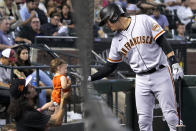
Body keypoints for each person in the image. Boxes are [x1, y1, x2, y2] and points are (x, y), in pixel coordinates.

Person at [89, 3, 184, 131]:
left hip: (160, 72)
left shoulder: (143, 20)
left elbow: (162, 40)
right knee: (143, 121)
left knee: (171, 116)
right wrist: (90, 78)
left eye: (107, 21)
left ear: (114, 16)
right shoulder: (116, 41)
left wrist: (174, 62)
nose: (107, 25)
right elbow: (110, 67)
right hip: (141, 79)